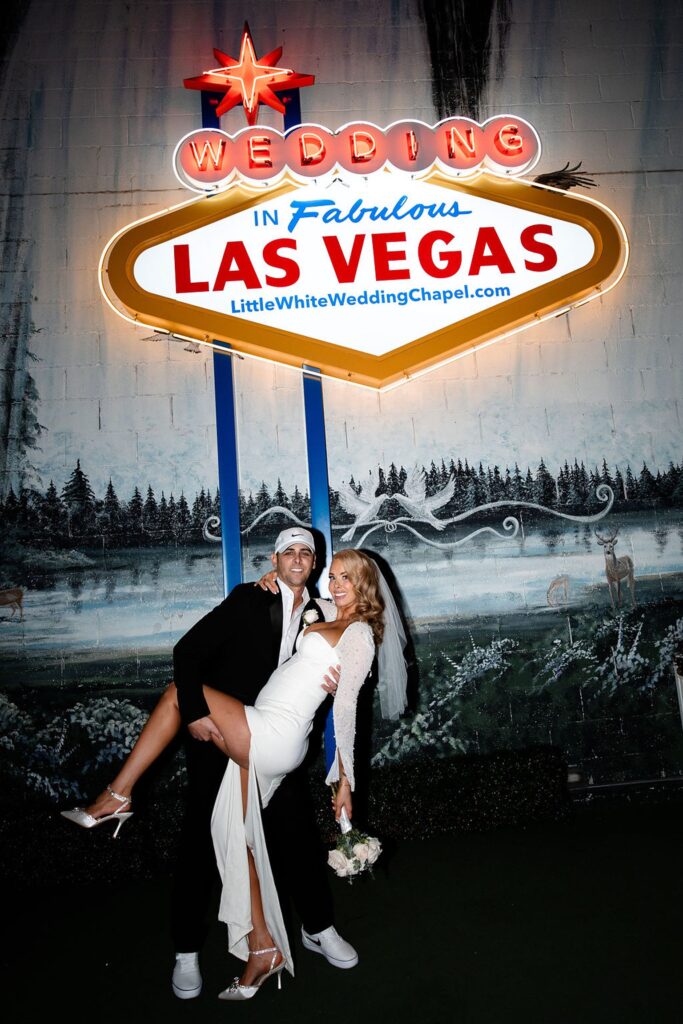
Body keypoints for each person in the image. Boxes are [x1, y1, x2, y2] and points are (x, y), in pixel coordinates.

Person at [61, 542, 407, 1001]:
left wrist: (346, 780)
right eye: (334, 575)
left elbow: (347, 709)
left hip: (271, 732)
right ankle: (262, 948)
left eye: (344, 576)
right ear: (277, 561)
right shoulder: (307, 606)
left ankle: (118, 795)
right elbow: (280, 615)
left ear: (362, 583)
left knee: (177, 695)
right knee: (233, 834)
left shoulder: (358, 633)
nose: (335, 583)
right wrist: (273, 589)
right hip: (253, 727)